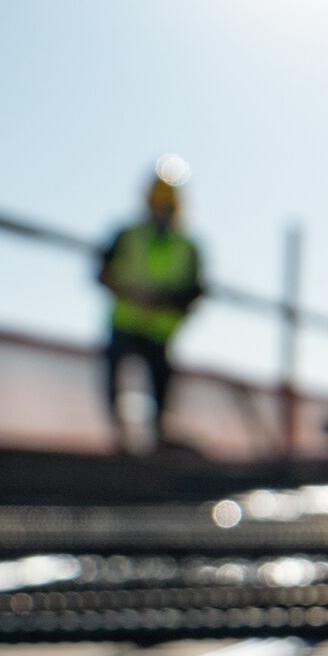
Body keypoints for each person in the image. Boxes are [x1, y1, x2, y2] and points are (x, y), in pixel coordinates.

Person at [97, 169, 206, 450]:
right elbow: (102, 273)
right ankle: (121, 441)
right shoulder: (127, 235)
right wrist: (131, 294)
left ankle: (158, 440)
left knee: (161, 385)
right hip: (125, 323)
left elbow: (195, 292)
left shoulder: (189, 247)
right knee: (115, 378)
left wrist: (164, 302)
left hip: (160, 332)